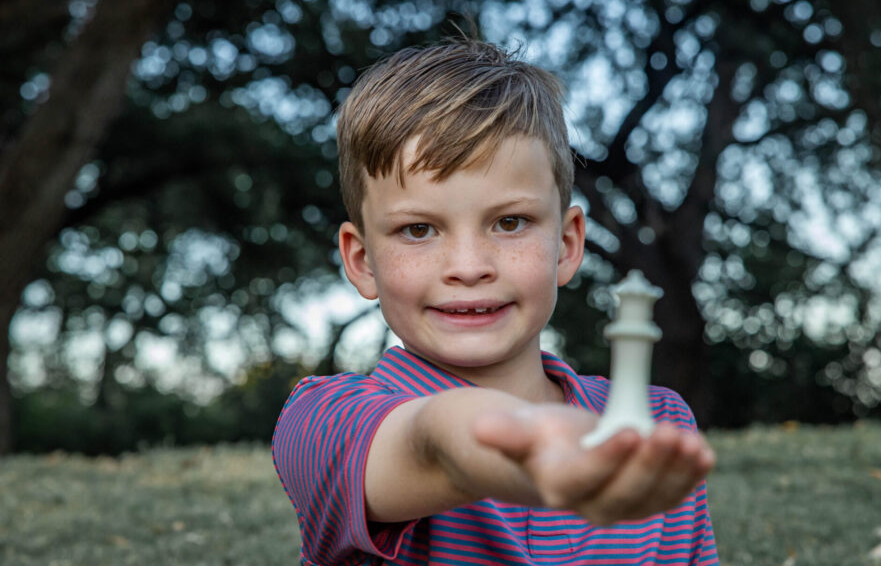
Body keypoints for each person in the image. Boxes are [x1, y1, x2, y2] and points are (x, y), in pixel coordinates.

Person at [272, 37, 719, 565]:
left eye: (510, 223)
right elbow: (432, 442)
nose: (468, 266)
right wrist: (525, 448)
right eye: (418, 229)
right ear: (362, 260)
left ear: (568, 244)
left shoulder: (660, 423)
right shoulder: (316, 423)